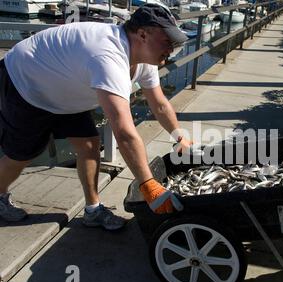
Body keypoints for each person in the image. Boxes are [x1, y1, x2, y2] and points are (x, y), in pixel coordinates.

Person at [0, 3, 192, 229]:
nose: (173, 47)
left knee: (90, 145)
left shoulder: (143, 57)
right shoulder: (108, 55)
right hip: (26, 83)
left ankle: (93, 209)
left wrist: (180, 136)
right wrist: (148, 184)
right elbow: (123, 131)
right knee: (21, 155)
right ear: (142, 34)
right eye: (168, 40)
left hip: (66, 87)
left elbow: (159, 105)